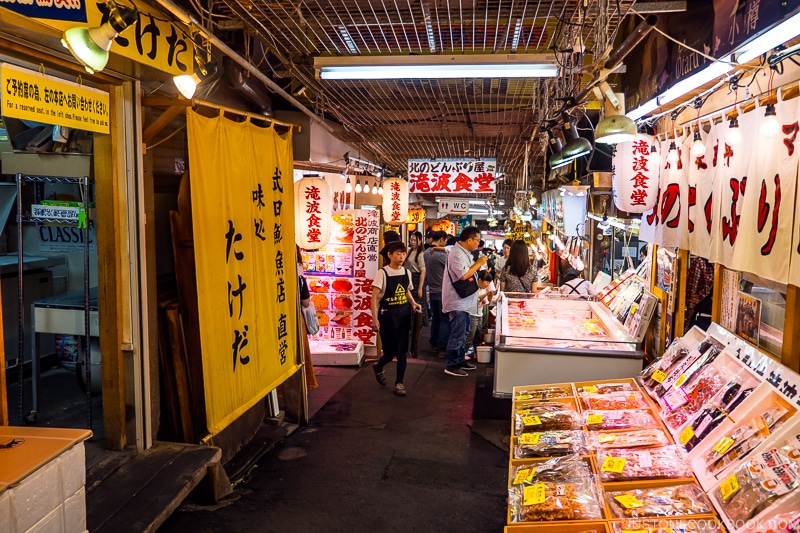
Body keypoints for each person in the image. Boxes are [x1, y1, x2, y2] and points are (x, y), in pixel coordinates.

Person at [371, 241, 421, 396]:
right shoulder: (383, 273)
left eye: (403, 253)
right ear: (390, 255)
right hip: (387, 316)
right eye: (398, 253)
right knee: (389, 352)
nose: (401, 257)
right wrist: (374, 319)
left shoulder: (406, 272)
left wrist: (413, 303)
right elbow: (374, 298)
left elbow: (406, 291)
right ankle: (379, 367)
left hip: (403, 316)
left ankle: (399, 383)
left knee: (401, 352)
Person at [442, 226, 488, 376]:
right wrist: (479, 263)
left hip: (465, 301)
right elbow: (463, 275)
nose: (478, 243)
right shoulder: (456, 254)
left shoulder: (464, 253)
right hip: (457, 301)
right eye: (477, 240)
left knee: (464, 332)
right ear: (470, 239)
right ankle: (452, 365)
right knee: (457, 334)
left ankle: (460, 359)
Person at [424, 231, 449, 358]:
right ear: (441, 239)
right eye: (445, 241)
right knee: (444, 320)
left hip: (432, 290)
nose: (445, 243)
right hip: (442, 291)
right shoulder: (439, 254)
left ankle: (433, 344)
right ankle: (442, 349)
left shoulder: (426, 253)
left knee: (436, 319)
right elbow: (452, 265)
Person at [465, 271, 495, 358]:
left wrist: (490, 295)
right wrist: (485, 295)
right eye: (486, 282)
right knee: (470, 334)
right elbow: (476, 300)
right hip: (472, 314)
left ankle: (476, 351)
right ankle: (464, 352)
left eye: (489, 282)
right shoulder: (474, 289)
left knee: (478, 334)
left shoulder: (484, 289)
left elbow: (488, 301)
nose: (487, 284)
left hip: (480, 314)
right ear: (480, 280)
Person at [406, 231, 428, 328]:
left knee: (417, 301)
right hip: (409, 277)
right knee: (411, 302)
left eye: (415, 240)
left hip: (417, 279)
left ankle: (418, 325)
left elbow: (423, 271)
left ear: (420, 241)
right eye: (411, 239)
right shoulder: (409, 251)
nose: (412, 242)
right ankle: (412, 324)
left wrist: (420, 287)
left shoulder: (420, 254)